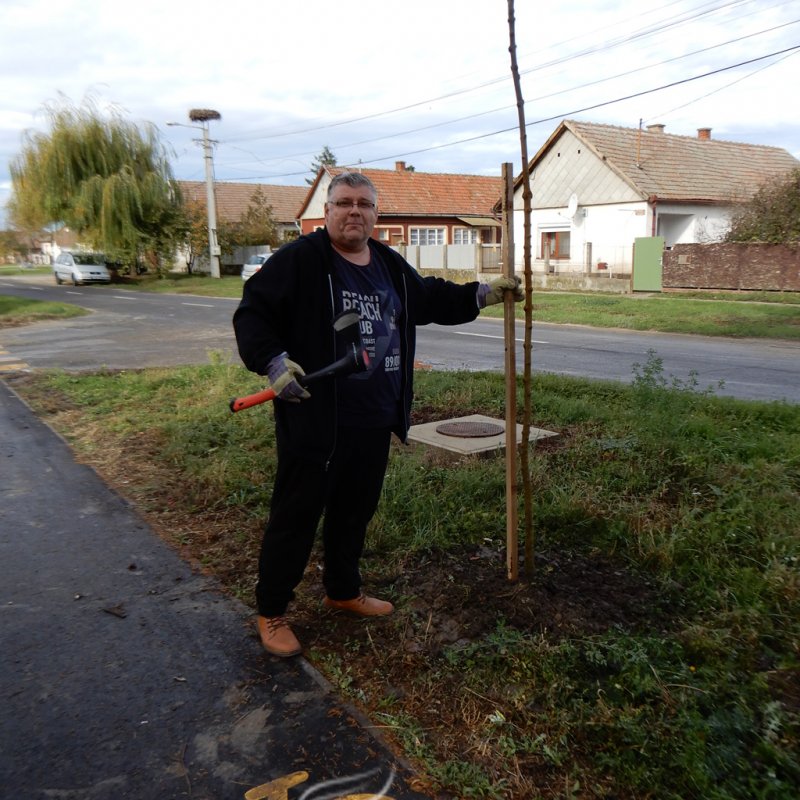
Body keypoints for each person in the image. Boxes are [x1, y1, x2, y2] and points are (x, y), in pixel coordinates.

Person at [233, 172, 522, 657]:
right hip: (317, 419)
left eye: (364, 204)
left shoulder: (387, 263)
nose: (354, 212)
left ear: (375, 215)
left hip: (374, 417)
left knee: (353, 511)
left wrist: (483, 294)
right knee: (296, 515)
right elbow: (252, 313)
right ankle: (272, 609)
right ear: (326, 212)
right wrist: (273, 361)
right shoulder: (301, 261)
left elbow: (427, 297)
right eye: (344, 203)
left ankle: (342, 590)